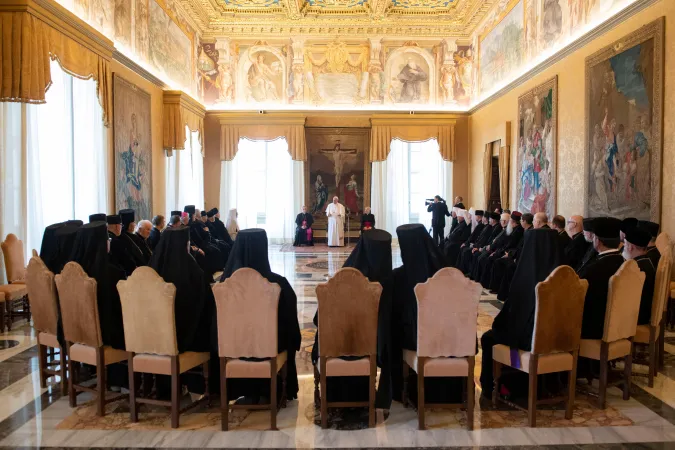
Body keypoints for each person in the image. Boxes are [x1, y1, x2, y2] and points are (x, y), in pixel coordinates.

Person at [312, 230, 394, 409]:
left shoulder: (341, 279)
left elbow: (320, 319)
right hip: (369, 354)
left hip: (334, 350)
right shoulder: (387, 287)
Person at [217, 229, 301, 402]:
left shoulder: (223, 285)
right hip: (269, 351)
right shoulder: (277, 284)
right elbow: (290, 325)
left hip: (232, 351)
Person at [480, 228, 563, 399]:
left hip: (530, 343)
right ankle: (553, 385)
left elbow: (512, 319)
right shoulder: (565, 276)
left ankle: (503, 384)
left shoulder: (528, 277)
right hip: (559, 341)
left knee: (491, 338)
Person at [391, 224, 458, 404]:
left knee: (392, 332)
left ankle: (402, 390)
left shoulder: (399, 277)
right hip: (451, 343)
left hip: (418, 342)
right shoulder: (448, 273)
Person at [149, 227, 214, 352]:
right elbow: (203, 302)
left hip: (155, 336)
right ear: (186, 244)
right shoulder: (191, 268)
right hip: (185, 339)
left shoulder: (153, 266)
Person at [67, 221, 126, 350]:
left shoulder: (71, 272)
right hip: (107, 339)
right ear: (101, 243)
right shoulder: (112, 273)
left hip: (77, 335)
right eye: (108, 239)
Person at [578, 217, 624, 339]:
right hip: (620, 325)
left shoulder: (593, 269)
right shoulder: (624, 263)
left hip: (594, 328)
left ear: (597, 241)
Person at [491, 213, 534, 297]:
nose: (521, 222)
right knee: (498, 262)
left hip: (518, 257)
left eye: (522, 221)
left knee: (501, 263)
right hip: (513, 254)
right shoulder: (525, 230)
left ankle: (503, 291)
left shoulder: (523, 231)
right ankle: (498, 288)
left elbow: (520, 248)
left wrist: (511, 255)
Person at [478, 211, 524, 289]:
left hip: (508, 253)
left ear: (512, 221)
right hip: (504, 251)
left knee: (493, 260)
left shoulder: (517, 231)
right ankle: (486, 283)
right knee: (488, 258)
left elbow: (509, 246)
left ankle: (493, 286)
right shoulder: (513, 229)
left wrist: (497, 252)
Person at [622, 227, 656, 325]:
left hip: (636, 317)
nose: (623, 246)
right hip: (643, 313)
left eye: (625, 243)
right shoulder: (646, 261)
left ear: (630, 247)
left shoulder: (636, 268)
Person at [469, 213, 510, 280]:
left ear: (504, 221)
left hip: (495, 250)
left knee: (481, 258)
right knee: (479, 256)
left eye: (501, 220)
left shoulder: (499, 228)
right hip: (491, 248)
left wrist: (483, 248)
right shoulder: (499, 228)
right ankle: (475, 276)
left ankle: (480, 279)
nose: (500, 222)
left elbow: (498, 243)